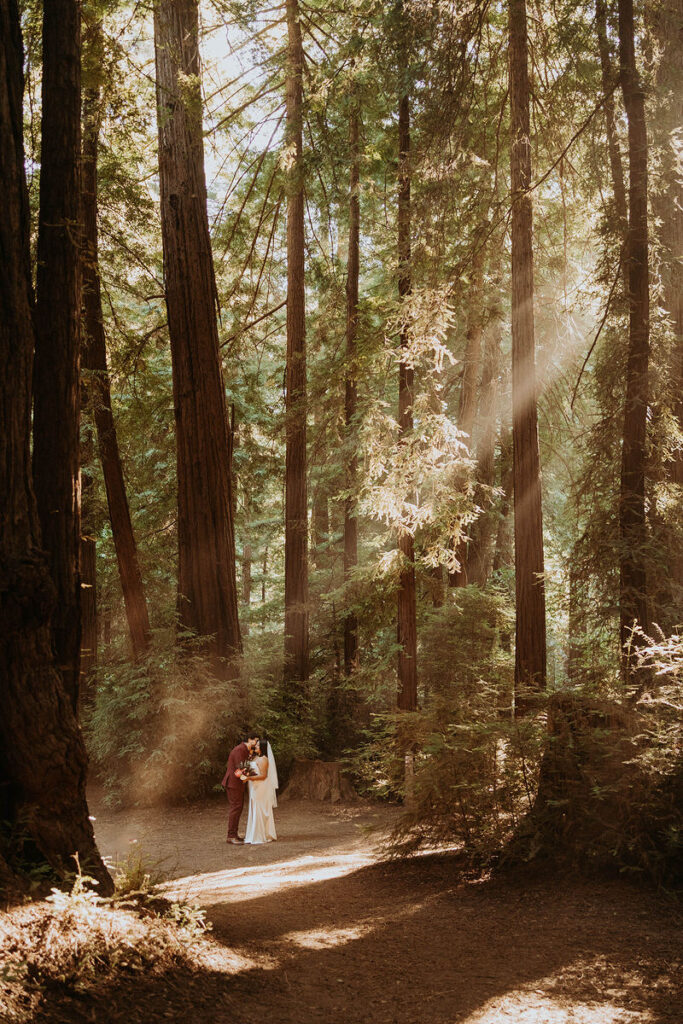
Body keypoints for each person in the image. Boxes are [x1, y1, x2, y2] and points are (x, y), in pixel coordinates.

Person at [221, 732, 259, 844]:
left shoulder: (245, 750)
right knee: (236, 808)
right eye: (255, 741)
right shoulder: (240, 750)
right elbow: (240, 768)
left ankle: (234, 834)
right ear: (250, 740)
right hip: (233, 783)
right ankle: (231, 836)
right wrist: (256, 777)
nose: (256, 743)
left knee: (238, 807)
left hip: (237, 783)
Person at [242, 737, 278, 844]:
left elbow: (263, 776)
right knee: (254, 808)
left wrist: (249, 778)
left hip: (261, 787)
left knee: (259, 808)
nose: (255, 746)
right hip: (254, 787)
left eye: (257, 745)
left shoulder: (263, 759)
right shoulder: (256, 758)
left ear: (262, 747)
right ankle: (254, 833)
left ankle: (260, 835)